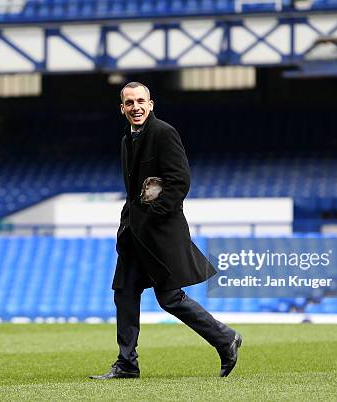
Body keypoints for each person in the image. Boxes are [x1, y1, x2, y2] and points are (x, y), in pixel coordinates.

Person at [90, 82, 242, 380]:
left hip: (160, 233)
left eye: (140, 101)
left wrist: (153, 215)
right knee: (125, 292)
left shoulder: (164, 133)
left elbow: (179, 181)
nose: (136, 106)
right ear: (122, 108)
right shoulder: (126, 139)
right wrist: (131, 220)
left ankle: (225, 339)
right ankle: (127, 364)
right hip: (135, 235)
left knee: (169, 297)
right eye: (129, 102)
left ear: (151, 104)